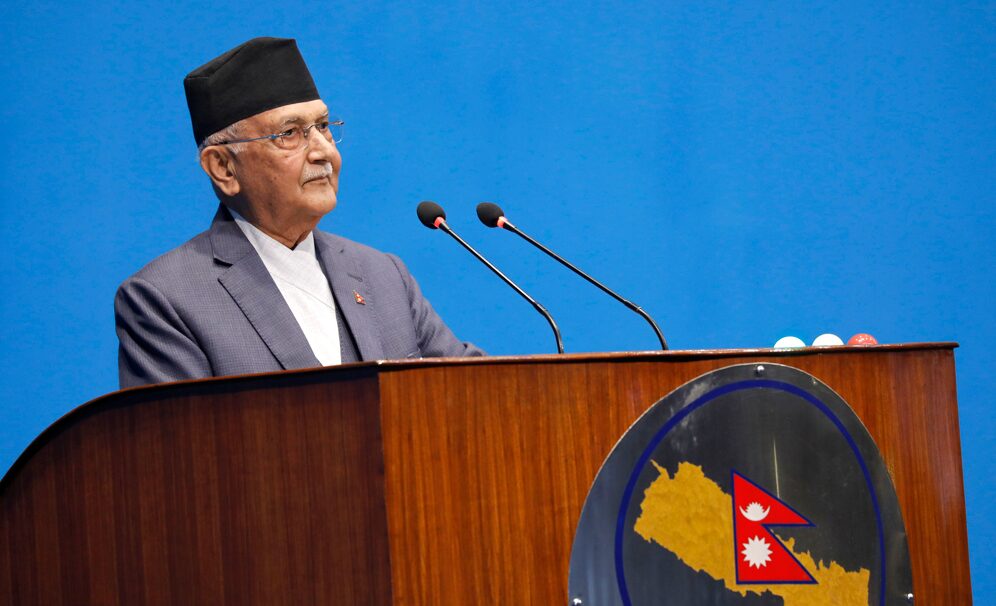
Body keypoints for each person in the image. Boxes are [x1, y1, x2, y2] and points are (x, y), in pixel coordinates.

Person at [115, 37, 483, 388]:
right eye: (290, 133)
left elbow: (477, 389)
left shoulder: (383, 275)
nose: (324, 152)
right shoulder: (167, 298)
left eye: (323, 126)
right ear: (223, 168)